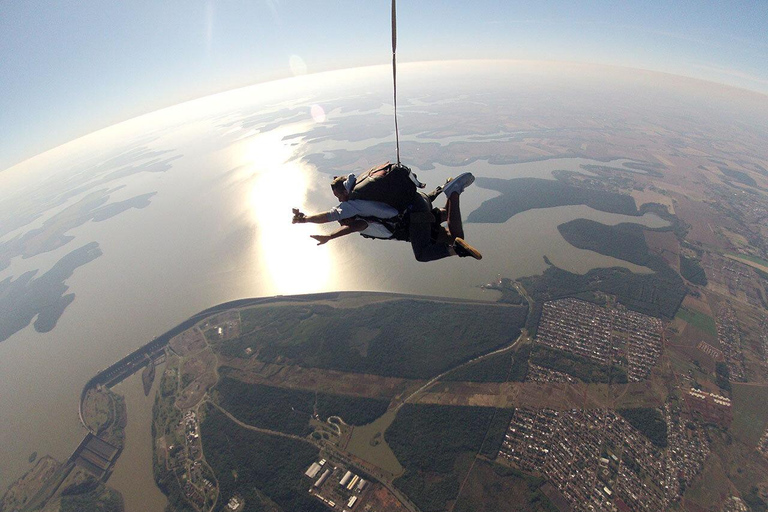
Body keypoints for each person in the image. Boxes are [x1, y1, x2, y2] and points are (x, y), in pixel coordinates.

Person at [291, 168, 482, 261]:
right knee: (451, 231)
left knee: (423, 254)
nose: (340, 202)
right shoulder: (363, 187)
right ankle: (451, 192)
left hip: (414, 218)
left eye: (338, 196)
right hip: (416, 202)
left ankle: (453, 192)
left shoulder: (355, 211)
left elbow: (332, 218)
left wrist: (326, 234)